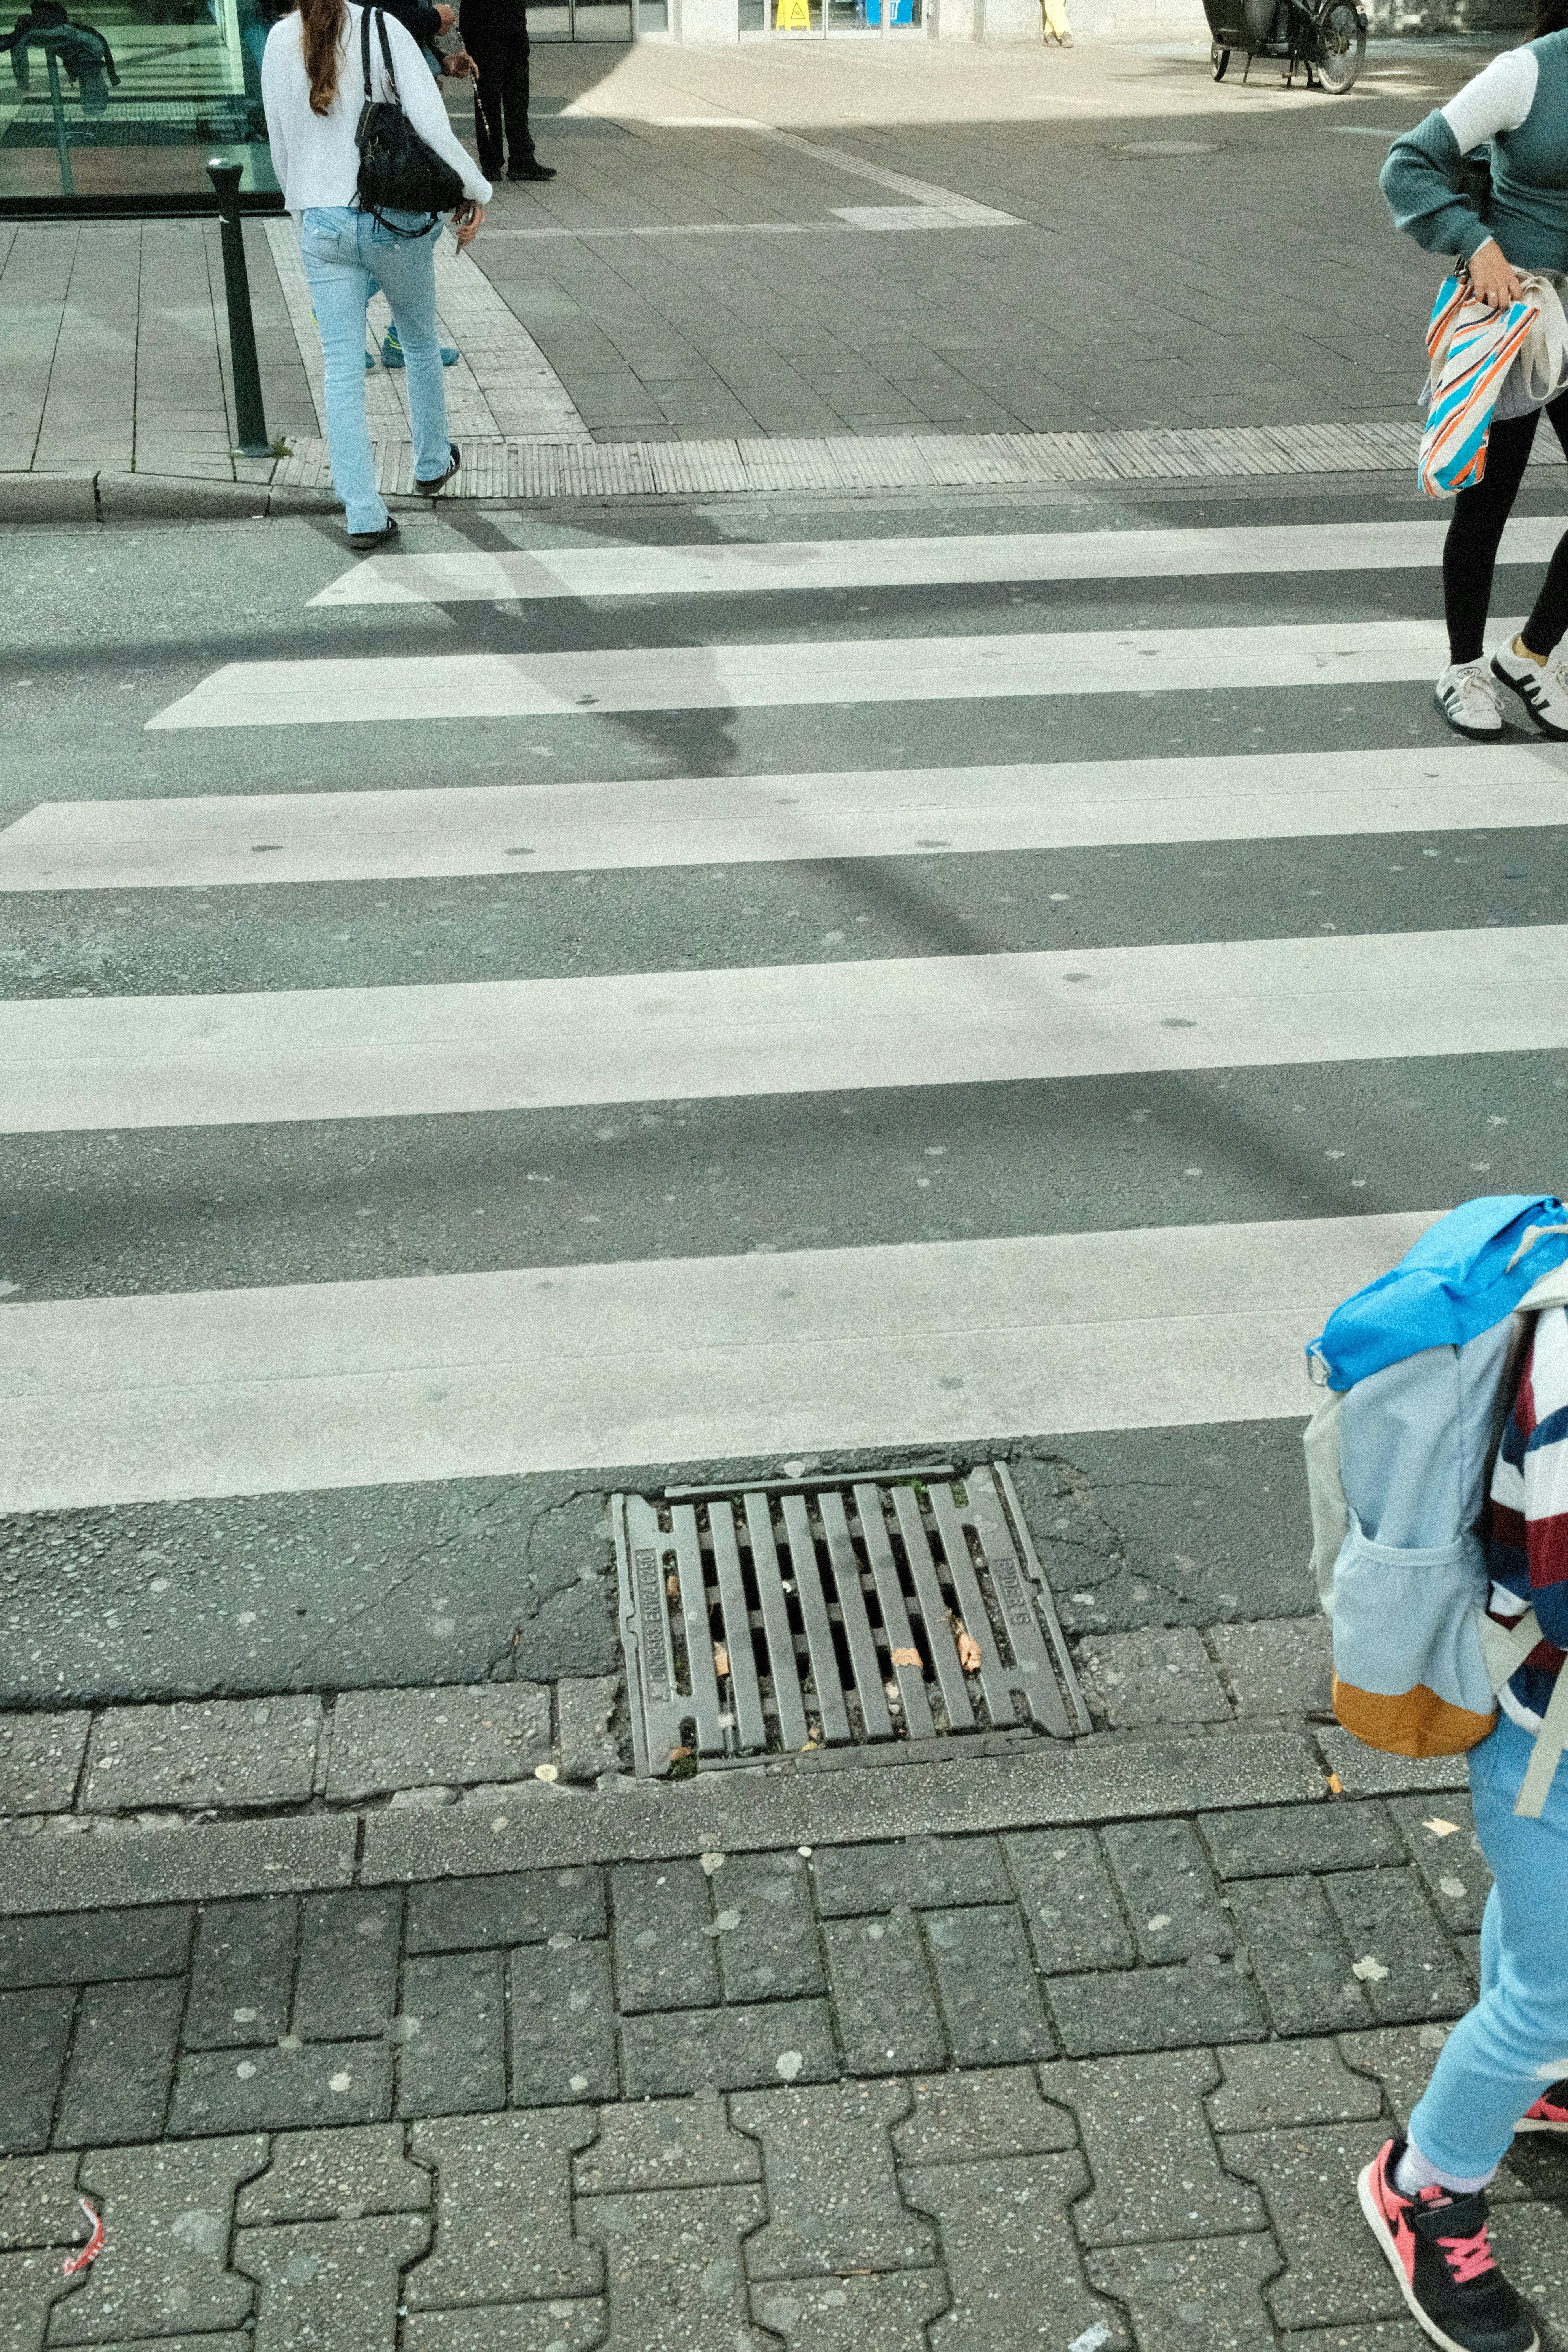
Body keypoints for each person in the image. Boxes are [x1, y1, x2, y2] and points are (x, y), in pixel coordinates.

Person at [1351, 1289, 1568, 2352]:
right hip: (1546, 1728)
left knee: (1547, 1962)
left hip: (1542, 1716)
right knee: (1555, 1992)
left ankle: (1540, 2082)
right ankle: (1419, 2181)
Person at [1383, 3, 1568, 743]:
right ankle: (1463, 668)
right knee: (1487, 503)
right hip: (1513, 316)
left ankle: (1529, 655)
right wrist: (1474, 241)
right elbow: (1409, 161)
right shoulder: (1528, 72)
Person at [262, 0, 490, 549]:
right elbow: (431, 126)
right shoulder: (380, 26)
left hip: (321, 221)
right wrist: (477, 190)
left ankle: (362, 512)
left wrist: (305, 211)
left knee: (340, 370)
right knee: (417, 340)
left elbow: (279, 141)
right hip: (389, 215)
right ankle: (432, 462)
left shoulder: (278, 40)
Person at [460, 0, 552, 183]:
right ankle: (491, 163)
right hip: (483, 27)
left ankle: (522, 160)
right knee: (488, 98)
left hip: (515, 25)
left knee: (518, 97)